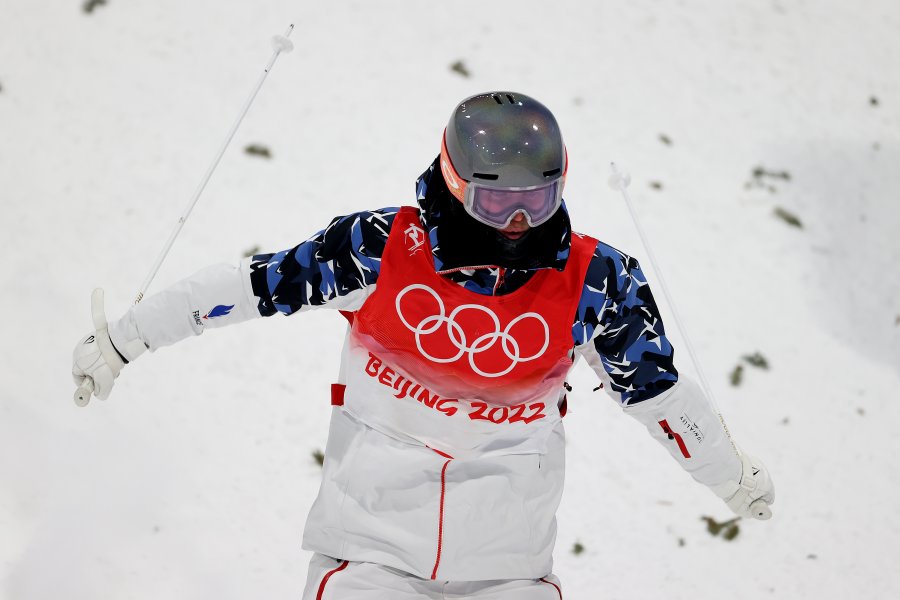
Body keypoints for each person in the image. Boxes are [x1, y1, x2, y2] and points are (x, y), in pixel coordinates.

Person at [72, 91, 774, 599]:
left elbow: (659, 397)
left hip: (509, 568)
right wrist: (123, 341)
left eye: (541, 197)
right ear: (452, 181)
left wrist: (728, 475)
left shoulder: (595, 279)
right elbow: (246, 287)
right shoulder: (378, 250)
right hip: (370, 553)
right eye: (497, 202)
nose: (520, 222)